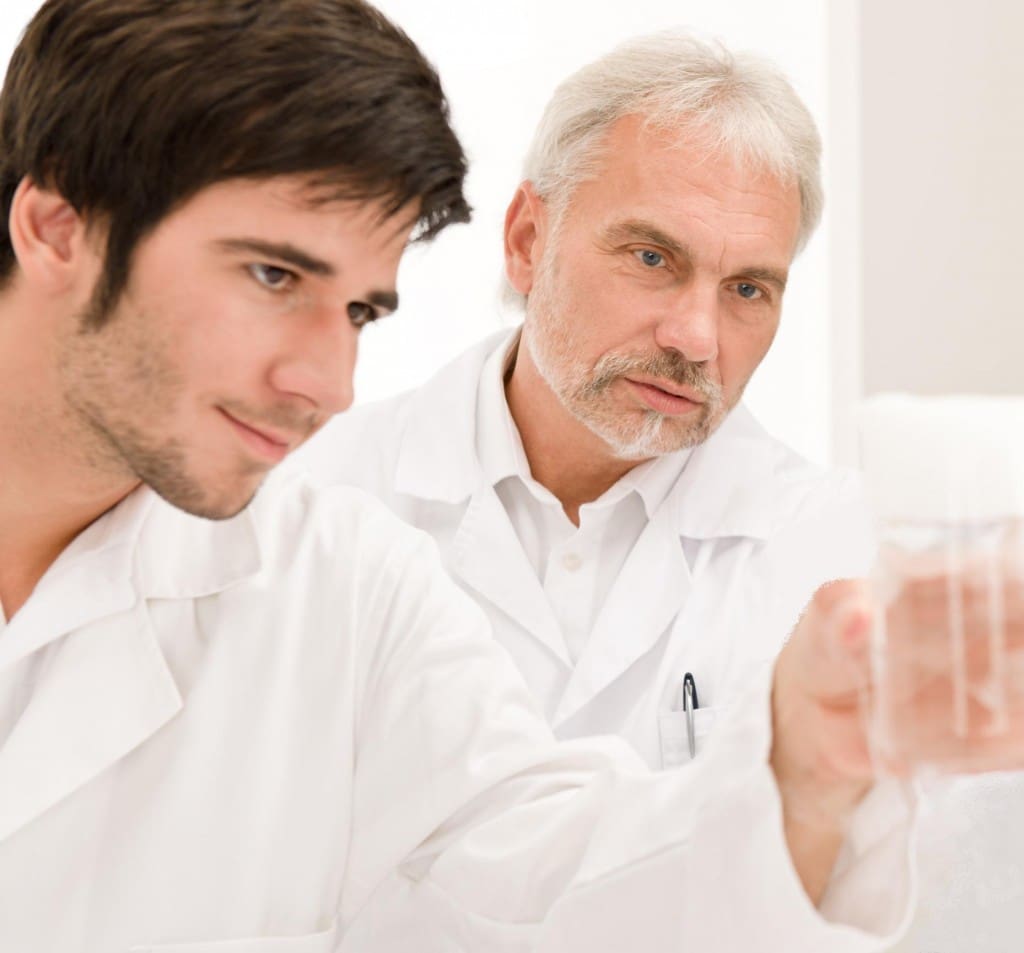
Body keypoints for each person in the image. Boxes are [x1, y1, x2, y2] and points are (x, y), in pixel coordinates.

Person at [0, 2, 980, 950]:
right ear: (54, 227)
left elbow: (550, 883)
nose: (328, 387)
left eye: (358, 314)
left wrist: (803, 772)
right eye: (272, 275)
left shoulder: (346, 580)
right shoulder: (349, 500)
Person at [294, 31, 872, 772]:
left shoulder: (835, 554)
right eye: (653, 257)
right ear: (528, 240)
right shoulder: (317, 499)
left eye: (747, 289)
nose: (696, 338)